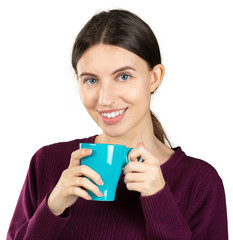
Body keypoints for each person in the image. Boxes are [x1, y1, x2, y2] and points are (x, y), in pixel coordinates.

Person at [7, 9, 228, 240]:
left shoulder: (200, 182)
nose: (105, 99)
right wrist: (51, 208)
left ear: (154, 78)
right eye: (91, 80)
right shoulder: (46, 163)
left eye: (123, 76)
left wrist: (159, 201)